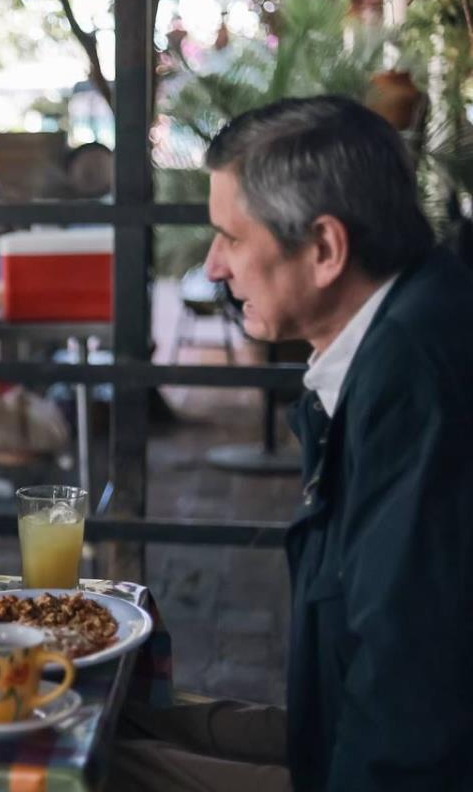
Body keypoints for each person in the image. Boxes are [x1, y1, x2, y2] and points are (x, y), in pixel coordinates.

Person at [110, 95, 473, 791]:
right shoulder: (390, 336)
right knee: (108, 719)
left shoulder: (417, 383)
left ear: (326, 249)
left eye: (233, 238)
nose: (215, 267)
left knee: (82, 771)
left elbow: (411, 694)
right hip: (336, 727)